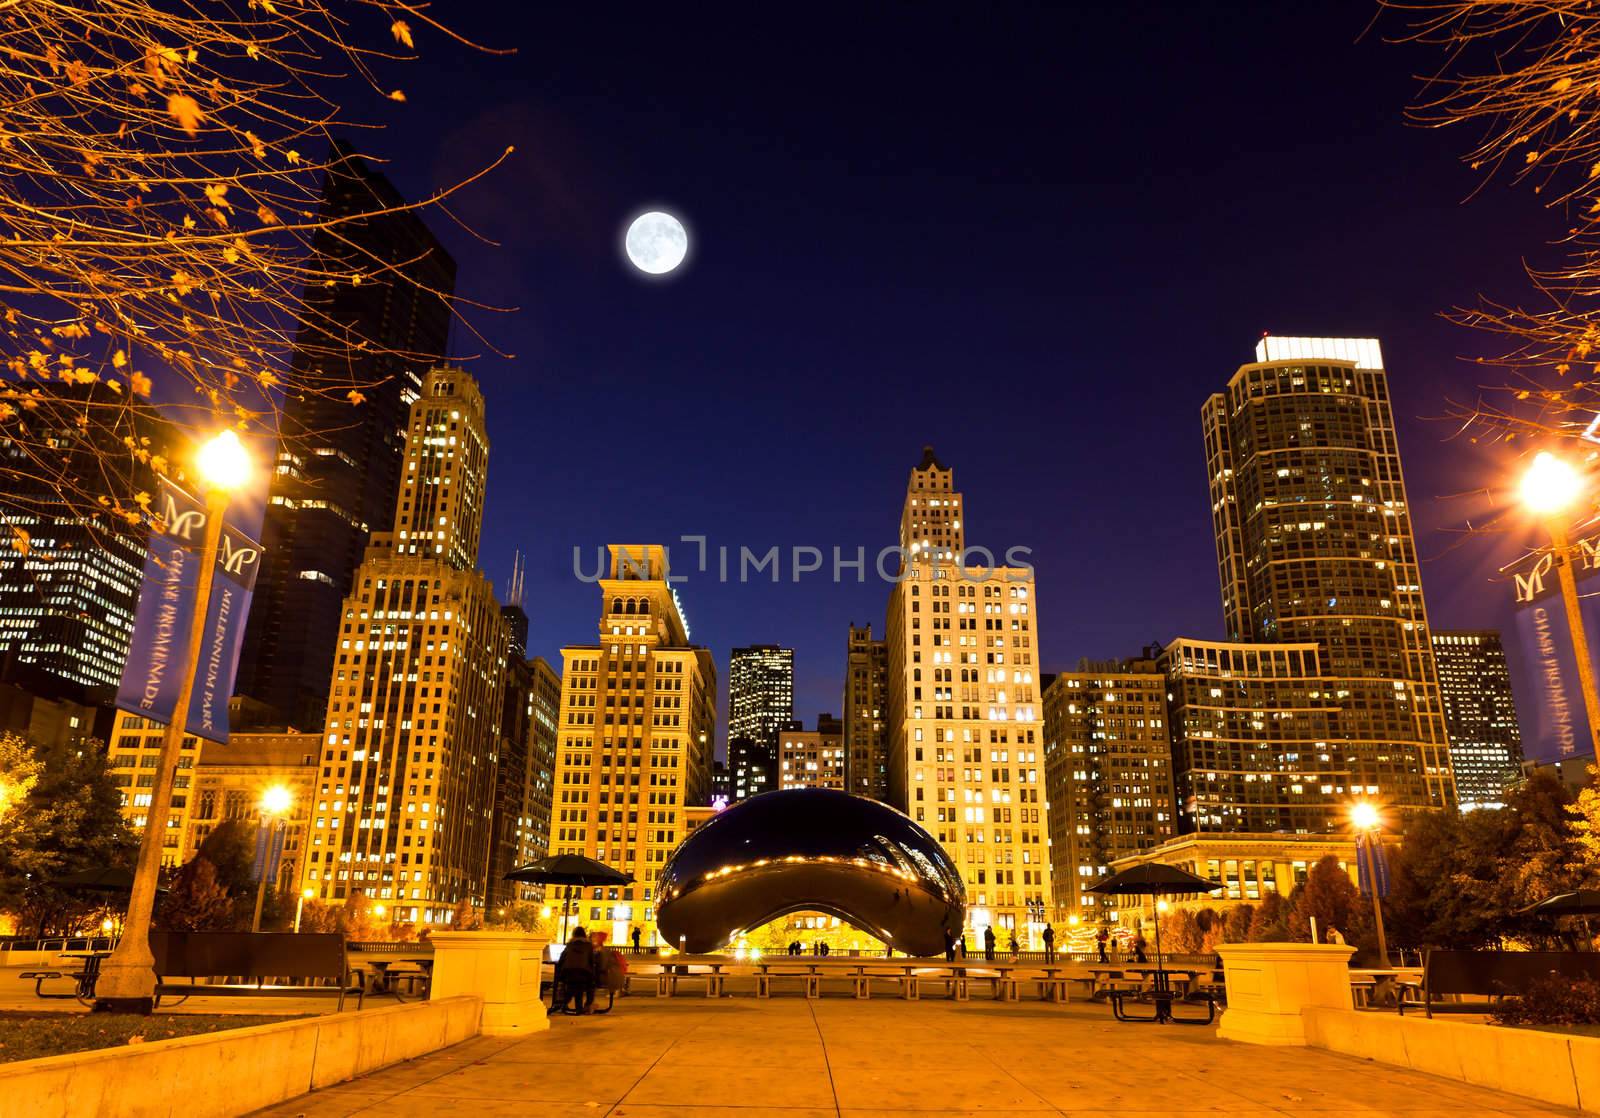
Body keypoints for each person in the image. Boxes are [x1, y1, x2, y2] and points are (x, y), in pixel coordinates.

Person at [555, 926, 599, 1014]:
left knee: (573, 986)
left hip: (568, 972)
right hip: (583, 972)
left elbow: (562, 958)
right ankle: (583, 1006)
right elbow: (592, 960)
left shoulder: (570, 945)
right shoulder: (588, 945)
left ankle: (563, 1003)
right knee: (588, 986)